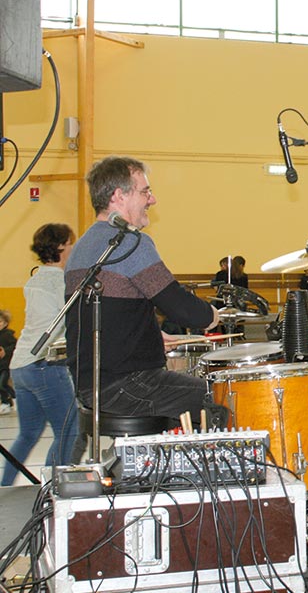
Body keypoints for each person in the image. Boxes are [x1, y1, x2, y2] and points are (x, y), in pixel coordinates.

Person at [65, 156, 220, 425]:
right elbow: (182, 309)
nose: (152, 199)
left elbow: (109, 315)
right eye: (145, 192)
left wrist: (150, 335)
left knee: (188, 409)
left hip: (91, 386)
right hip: (127, 384)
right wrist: (213, 315)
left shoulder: (83, 246)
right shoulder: (129, 242)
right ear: (118, 196)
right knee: (225, 397)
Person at [2, 225, 79, 485]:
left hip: (20, 366)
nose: (73, 248)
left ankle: (4, 487)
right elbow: (73, 320)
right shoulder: (61, 282)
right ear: (61, 246)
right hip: (44, 365)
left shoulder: (35, 279)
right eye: (70, 243)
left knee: (29, 433)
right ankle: (51, 491)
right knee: (69, 431)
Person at [0, 309, 16, 414]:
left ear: (5, 323)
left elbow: (14, 346)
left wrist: (5, 351)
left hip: (6, 366)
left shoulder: (8, 335)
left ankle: (13, 398)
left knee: (2, 383)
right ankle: (6, 402)